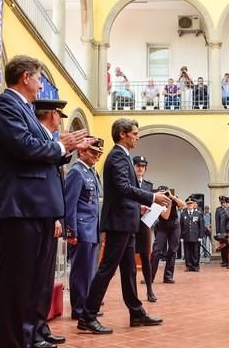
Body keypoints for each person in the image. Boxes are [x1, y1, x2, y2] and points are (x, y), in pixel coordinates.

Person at [0, 55, 93, 348]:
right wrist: (59, 146)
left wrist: (62, 146)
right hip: (20, 206)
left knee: (30, 284)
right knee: (15, 285)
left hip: (36, 207)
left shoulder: (24, 111)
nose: (40, 84)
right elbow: (24, 148)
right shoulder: (5, 106)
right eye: (38, 78)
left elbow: (38, 150)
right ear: (24, 77)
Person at [77, 118, 170, 334]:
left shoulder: (123, 156)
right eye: (135, 133)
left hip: (126, 222)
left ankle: (136, 312)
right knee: (107, 269)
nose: (137, 136)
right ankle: (87, 316)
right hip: (119, 222)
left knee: (128, 270)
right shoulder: (118, 155)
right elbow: (122, 187)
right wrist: (151, 197)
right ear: (122, 134)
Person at [30, 99, 72, 348]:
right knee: (37, 279)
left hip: (49, 214)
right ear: (53, 115)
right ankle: (33, 330)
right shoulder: (42, 140)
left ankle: (40, 326)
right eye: (60, 115)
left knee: (45, 280)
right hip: (40, 213)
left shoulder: (48, 142)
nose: (61, 120)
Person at [66, 137, 105, 319]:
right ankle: (79, 309)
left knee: (90, 272)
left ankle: (87, 308)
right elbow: (70, 204)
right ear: (82, 151)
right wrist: (71, 231)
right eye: (93, 152)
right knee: (81, 272)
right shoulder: (76, 172)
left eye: (99, 153)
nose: (96, 156)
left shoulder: (91, 172)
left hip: (92, 229)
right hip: (81, 229)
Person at [132, 155, 157, 302]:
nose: (140, 168)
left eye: (143, 166)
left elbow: (152, 202)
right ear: (133, 167)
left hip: (145, 225)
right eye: (138, 166)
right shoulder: (128, 182)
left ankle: (149, 290)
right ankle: (132, 292)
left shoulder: (148, 185)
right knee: (129, 259)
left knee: (145, 258)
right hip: (131, 223)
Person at [150, 186, 185, 282]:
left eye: (165, 192)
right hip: (162, 227)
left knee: (172, 251)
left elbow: (183, 205)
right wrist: (168, 204)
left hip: (175, 227)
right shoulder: (156, 202)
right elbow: (165, 216)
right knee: (156, 251)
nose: (164, 195)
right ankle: (150, 277)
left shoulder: (172, 198)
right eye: (161, 193)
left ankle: (168, 277)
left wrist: (172, 197)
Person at [181, 197, 204, 271]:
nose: (190, 205)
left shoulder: (198, 214)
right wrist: (181, 236)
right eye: (188, 204)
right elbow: (181, 226)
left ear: (194, 204)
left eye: (191, 204)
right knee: (187, 252)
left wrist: (200, 236)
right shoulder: (183, 214)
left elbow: (201, 226)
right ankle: (188, 266)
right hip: (186, 236)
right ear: (187, 205)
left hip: (195, 236)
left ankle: (195, 266)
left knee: (195, 252)